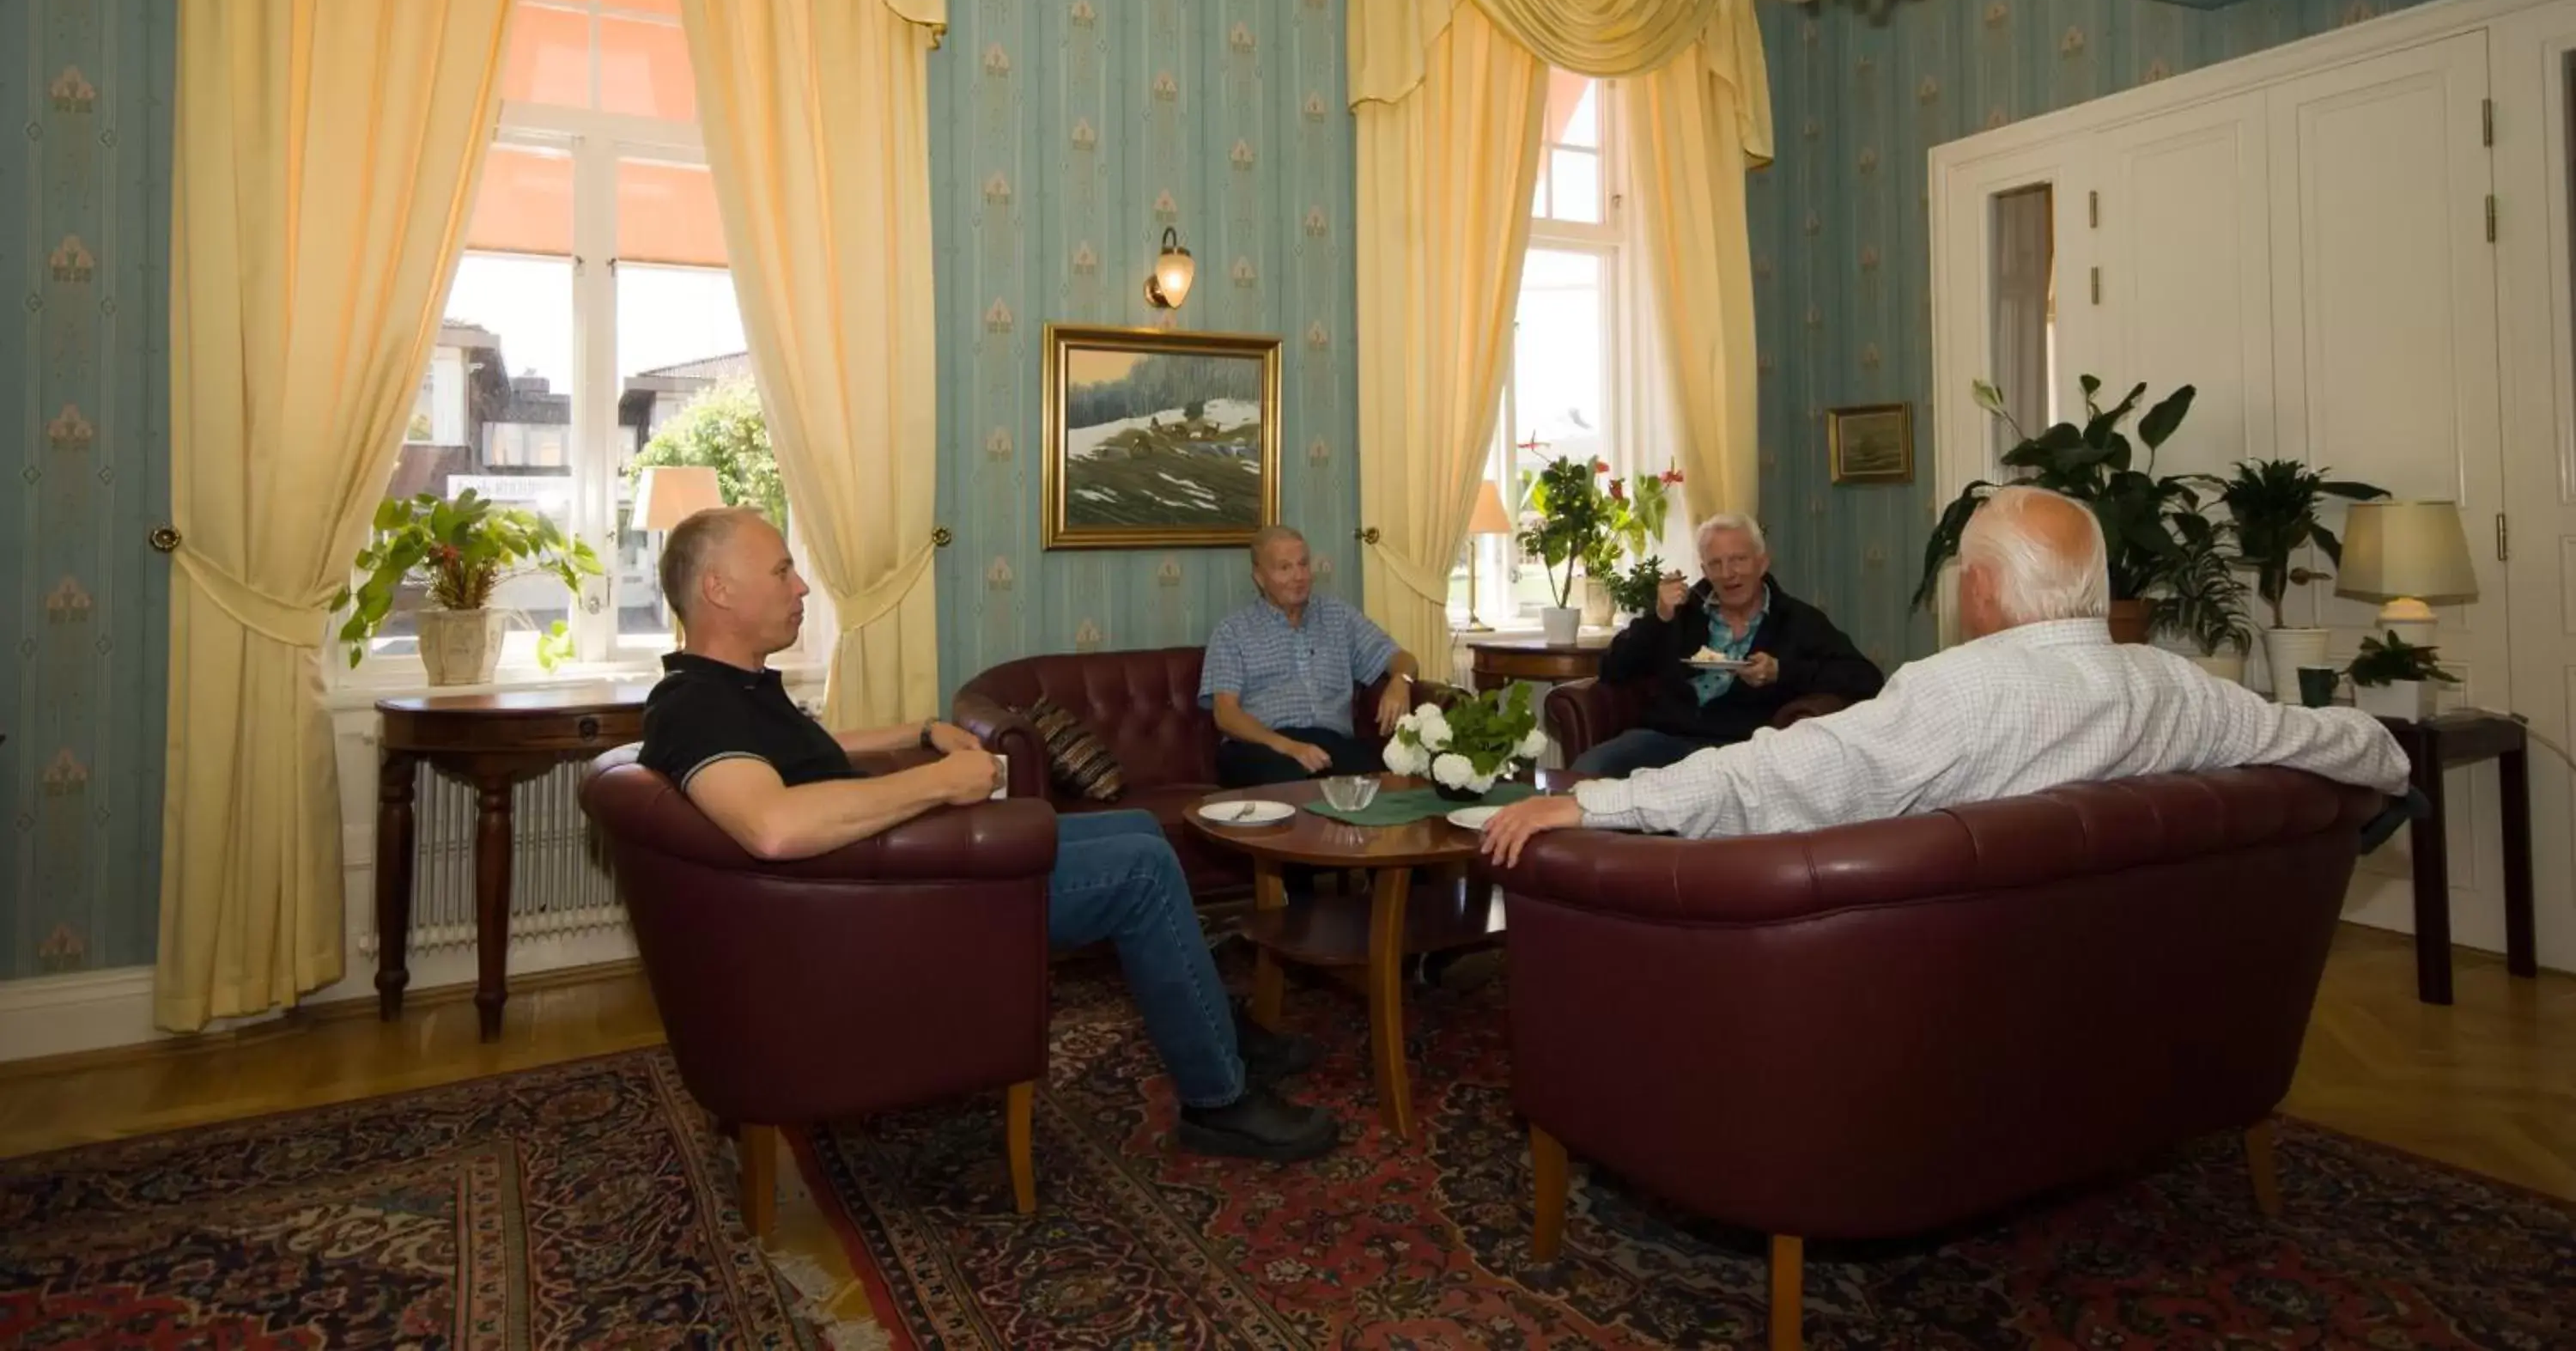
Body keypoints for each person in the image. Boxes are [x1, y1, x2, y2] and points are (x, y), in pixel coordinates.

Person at [635, 507, 1342, 1163]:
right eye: (782, 571)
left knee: (1134, 827)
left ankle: (1218, 1026)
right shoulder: (694, 706)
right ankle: (1219, 1100)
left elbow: (811, 753)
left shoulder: (734, 693)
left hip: (881, 883)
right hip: (889, 911)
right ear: (719, 590)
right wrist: (940, 782)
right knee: (1140, 868)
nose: (803, 587)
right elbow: (773, 827)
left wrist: (919, 732)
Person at [1482, 486, 2409, 866]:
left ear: (1980, 588)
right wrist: (2388, 757)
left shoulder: (1953, 696)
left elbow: (1781, 775)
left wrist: (1590, 806)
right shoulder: (2179, 688)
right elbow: (2341, 742)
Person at [1574, 513, 1885, 776]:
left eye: (1738, 560)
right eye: (1716, 564)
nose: (1728, 574)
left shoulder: (1798, 620)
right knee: (1588, 770)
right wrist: (1659, 618)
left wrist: (1781, 672)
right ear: (1704, 569)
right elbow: (1612, 669)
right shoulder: (1682, 613)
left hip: (1743, 748)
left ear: (1762, 563)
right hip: (1666, 738)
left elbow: (1865, 677)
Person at [1201, 526, 1420, 784]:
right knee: (1291, 781)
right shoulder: (1233, 632)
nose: (1299, 576)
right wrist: (1289, 747)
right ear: (1259, 577)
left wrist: (1400, 681)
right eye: (1285, 568)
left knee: (1379, 782)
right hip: (1262, 746)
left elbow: (1402, 658)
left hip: (1332, 744)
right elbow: (1226, 715)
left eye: (1303, 564)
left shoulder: (1338, 616)